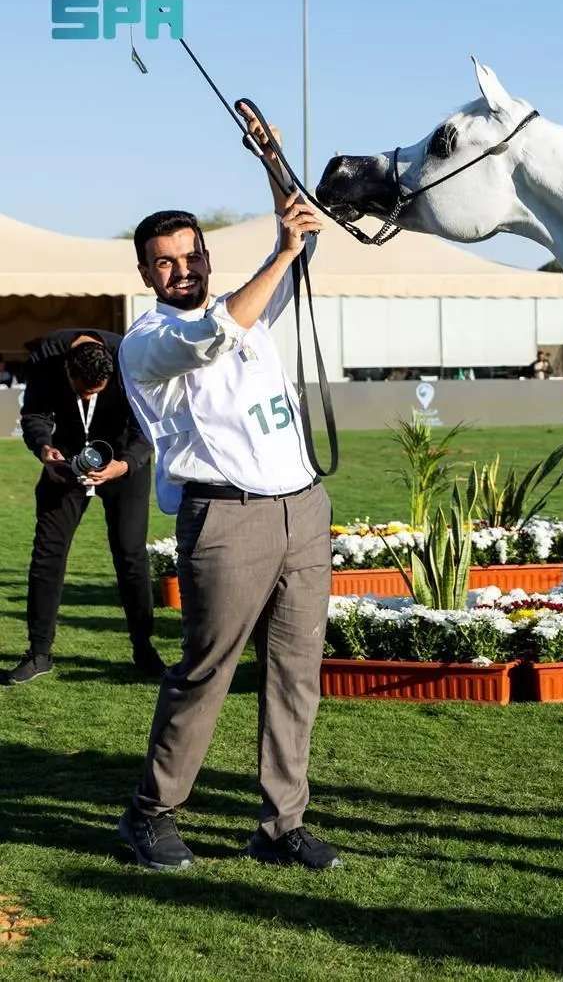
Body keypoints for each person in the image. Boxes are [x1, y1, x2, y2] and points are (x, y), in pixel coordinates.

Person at [114, 107, 341, 873]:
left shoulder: (237, 302)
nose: (183, 269)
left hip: (301, 510)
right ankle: (151, 814)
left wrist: (271, 158)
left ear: (207, 256)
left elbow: (297, 239)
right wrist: (277, 254)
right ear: (147, 273)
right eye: (166, 262)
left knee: (295, 676)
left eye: (192, 256)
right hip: (225, 520)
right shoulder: (149, 341)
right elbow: (221, 331)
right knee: (206, 673)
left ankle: (282, 826)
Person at [7, 331, 163, 685]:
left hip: (123, 464)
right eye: (83, 391)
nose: (89, 398)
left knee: (131, 556)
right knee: (47, 554)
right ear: (67, 369)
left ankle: (143, 647)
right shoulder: (46, 356)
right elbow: (34, 412)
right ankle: (39, 652)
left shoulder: (130, 355)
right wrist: (44, 448)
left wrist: (124, 465)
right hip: (64, 464)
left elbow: (147, 423)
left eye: (97, 391)